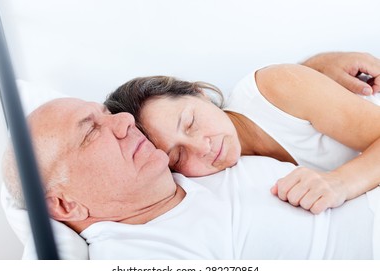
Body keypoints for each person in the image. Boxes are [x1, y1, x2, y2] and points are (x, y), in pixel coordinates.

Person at [2, 98, 380, 259]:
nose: (124, 122)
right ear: (65, 203)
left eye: (106, 113)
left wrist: (319, 72)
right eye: (91, 132)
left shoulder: (183, 166)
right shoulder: (144, 255)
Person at [104, 52, 380, 214]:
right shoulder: (214, 182)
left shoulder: (276, 88)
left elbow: (287, 97)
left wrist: (341, 183)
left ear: (200, 94)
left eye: (190, 123)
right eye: (177, 155)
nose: (202, 147)